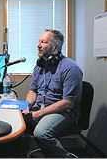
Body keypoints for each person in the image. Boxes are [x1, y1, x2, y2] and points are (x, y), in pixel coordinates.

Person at [22, 29, 83, 157]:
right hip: (41, 108)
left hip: (63, 111)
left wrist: (38, 114)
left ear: (55, 48)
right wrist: (26, 106)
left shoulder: (71, 68)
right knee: (17, 121)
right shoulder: (40, 65)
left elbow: (68, 103)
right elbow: (32, 91)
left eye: (43, 42)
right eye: (39, 41)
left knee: (41, 133)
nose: (38, 45)